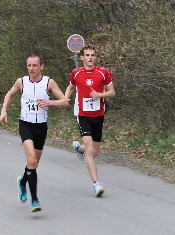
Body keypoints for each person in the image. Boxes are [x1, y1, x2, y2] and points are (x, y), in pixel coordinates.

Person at [0, 55, 68, 212]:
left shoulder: (49, 83)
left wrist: (50, 102)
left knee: (34, 163)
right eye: (29, 65)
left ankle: (23, 182)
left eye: (35, 65)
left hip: (41, 127)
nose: (31, 68)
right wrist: (4, 110)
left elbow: (64, 101)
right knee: (31, 159)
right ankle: (35, 200)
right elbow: (9, 94)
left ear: (41, 66)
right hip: (26, 125)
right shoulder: (21, 82)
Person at [65, 45, 115, 197]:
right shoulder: (76, 73)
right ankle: (96, 184)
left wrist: (99, 95)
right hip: (83, 115)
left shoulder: (103, 72)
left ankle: (79, 149)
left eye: (92, 55)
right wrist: (65, 98)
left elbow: (112, 93)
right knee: (90, 150)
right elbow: (71, 87)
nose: (90, 58)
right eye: (87, 55)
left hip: (98, 115)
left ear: (95, 57)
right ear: (82, 57)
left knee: (96, 152)